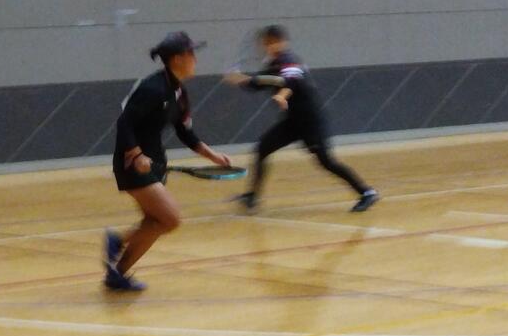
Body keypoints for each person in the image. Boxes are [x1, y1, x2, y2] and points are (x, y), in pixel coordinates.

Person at [104, 32, 231, 291]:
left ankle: (117, 274)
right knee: (170, 219)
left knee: (153, 222)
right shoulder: (153, 88)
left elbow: (184, 131)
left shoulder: (178, 91)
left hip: (155, 162)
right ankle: (116, 241)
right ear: (177, 59)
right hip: (133, 163)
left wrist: (212, 155)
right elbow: (124, 123)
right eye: (191, 54)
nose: (195, 59)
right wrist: (136, 155)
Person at [225, 24, 378, 213]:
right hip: (292, 122)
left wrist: (282, 95)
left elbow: (292, 81)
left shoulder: (289, 60)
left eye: (272, 42)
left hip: (310, 122)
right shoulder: (273, 65)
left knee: (326, 162)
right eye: (266, 43)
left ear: (281, 42)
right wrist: (239, 79)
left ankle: (367, 192)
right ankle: (252, 198)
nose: (268, 46)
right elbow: (257, 83)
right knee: (262, 148)